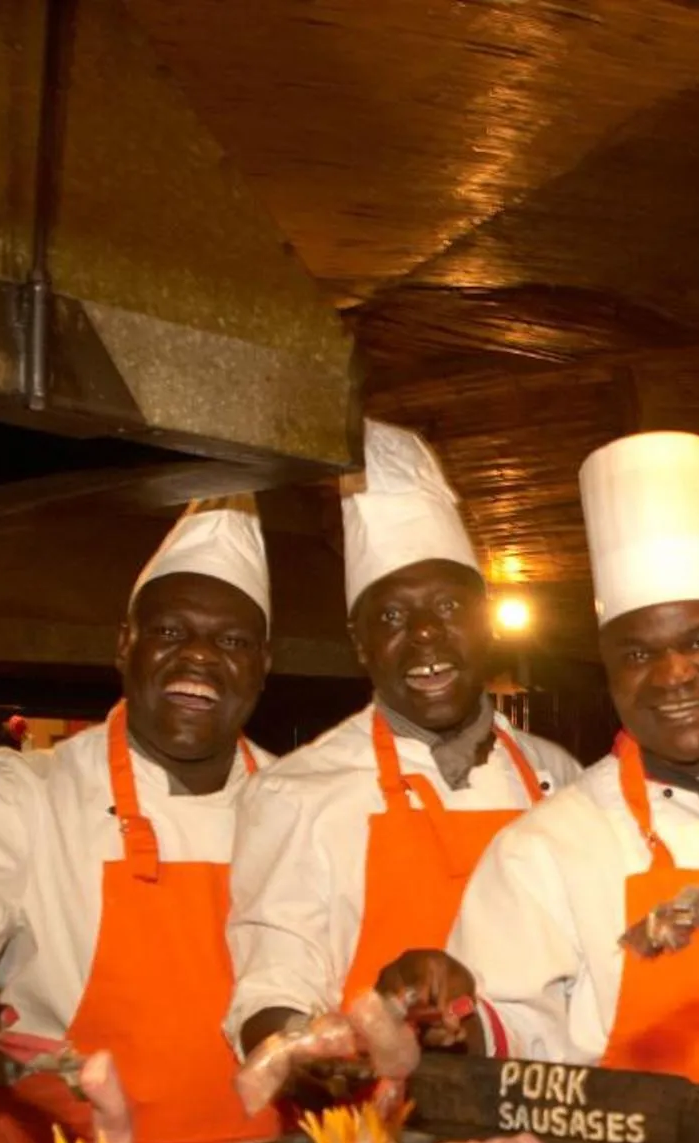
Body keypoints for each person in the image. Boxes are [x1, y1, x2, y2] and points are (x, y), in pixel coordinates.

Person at [382, 431, 699, 1093]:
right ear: (607, 669)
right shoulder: (545, 847)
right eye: (637, 654)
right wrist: (460, 1019)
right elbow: (514, 1030)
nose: (673, 675)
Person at [0, 499, 275, 1143]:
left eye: (233, 641)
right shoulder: (28, 796)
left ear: (262, 665)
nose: (201, 658)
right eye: (171, 632)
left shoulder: (304, 808)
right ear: (125, 644)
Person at [224, 422, 579, 1083]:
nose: (423, 634)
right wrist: (299, 1052)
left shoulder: (559, 776)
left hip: (546, 1131)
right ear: (359, 643)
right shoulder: (298, 792)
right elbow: (275, 976)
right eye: (390, 618)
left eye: (448, 605)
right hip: (372, 1141)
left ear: (486, 618)